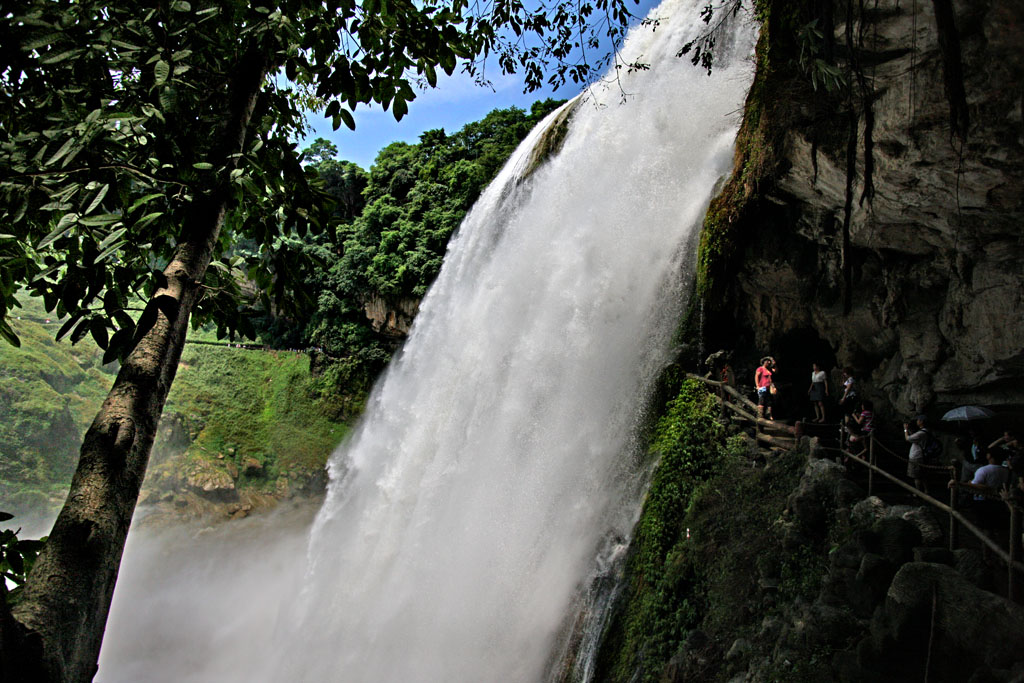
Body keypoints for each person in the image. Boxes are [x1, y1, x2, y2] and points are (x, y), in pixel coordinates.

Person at [904, 417, 930, 493]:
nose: (917, 421)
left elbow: (907, 438)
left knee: (917, 476)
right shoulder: (925, 431)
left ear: (921, 421)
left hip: (917, 456)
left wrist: (905, 429)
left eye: (918, 420)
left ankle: (918, 493)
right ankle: (926, 491)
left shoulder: (921, 433)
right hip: (922, 455)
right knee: (923, 475)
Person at [754, 356, 776, 420]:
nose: (768, 362)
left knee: (769, 401)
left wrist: (774, 364)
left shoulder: (769, 369)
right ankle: (760, 415)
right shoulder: (760, 368)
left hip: (769, 387)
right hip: (762, 387)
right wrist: (757, 385)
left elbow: (775, 371)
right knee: (761, 400)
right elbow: (756, 376)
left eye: (769, 361)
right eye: (767, 361)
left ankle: (769, 415)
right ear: (764, 362)